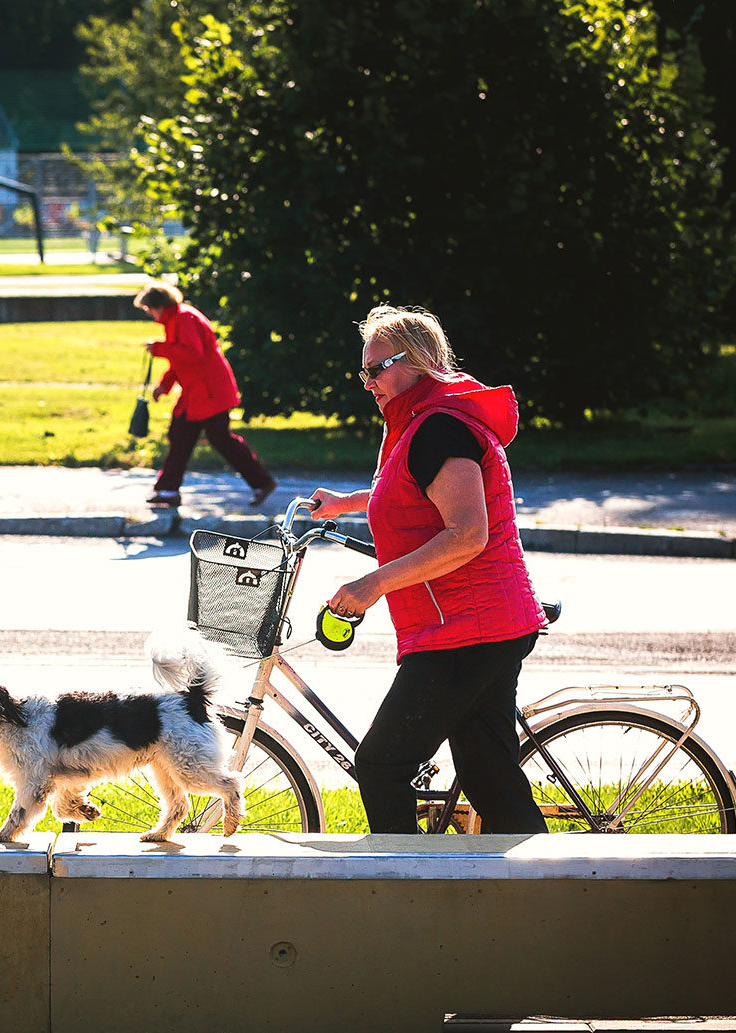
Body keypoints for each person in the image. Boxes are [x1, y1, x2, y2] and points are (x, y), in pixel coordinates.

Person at [308, 304, 549, 834]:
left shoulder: (440, 427)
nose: (367, 382)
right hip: (473, 626)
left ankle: (410, 901)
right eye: (363, 371)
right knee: (490, 779)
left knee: (381, 769)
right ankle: (545, 888)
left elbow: (467, 534)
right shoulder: (420, 423)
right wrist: (347, 503)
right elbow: (412, 493)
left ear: (416, 362)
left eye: (377, 368)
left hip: (467, 629)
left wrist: (372, 583)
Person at [135, 282, 276, 508]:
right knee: (181, 436)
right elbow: (180, 360)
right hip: (198, 392)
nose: (149, 314)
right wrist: (165, 386)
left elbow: (193, 353)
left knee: (219, 439)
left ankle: (262, 482)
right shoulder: (176, 319)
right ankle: (168, 490)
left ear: (159, 305)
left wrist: (160, 349)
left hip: (210, 392)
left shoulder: (182, 318)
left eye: (149, 309)